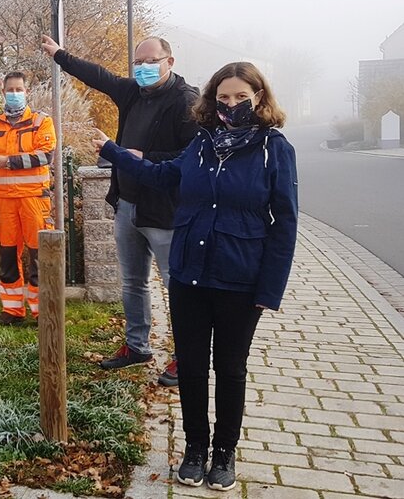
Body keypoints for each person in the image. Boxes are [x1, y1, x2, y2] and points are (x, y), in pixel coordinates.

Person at [93, 61, 297, 491]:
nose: (232, 104)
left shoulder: (273, 148)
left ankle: (224, 453)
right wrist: (113, 151)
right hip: (189, 275)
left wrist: (270, 288)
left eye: (242, 97)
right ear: (212, 99)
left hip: (240, 279)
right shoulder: (203, 143)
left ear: (259, 98)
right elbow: (164, 175)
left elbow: (285, 223)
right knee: (191, 368)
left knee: (230, 368)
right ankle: (195, 448)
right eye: (224, 97)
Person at [41, 34, 198, 386]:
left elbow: (193, 159)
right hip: (127, 205)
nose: (142, 68)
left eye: (150, 61)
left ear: (169, 61)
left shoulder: (186, 102)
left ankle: (186, 357)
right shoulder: (132, 93)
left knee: (179, 288)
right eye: (138, 62)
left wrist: (148, 159)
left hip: (164, 212)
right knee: (133, 282)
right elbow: (99, 77)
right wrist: (61, 55)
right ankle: (136, 347)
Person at [0, 71, 57, 325]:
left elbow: (46, 155)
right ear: (3, 93)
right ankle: (12, 311)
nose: (14, 94)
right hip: (4, 203)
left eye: (19, 89)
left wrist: (10, 162)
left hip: (34, 200)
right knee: (8, 257)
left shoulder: (40, 122)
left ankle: (42, 311)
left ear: (27, 92)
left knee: (39, 258)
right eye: (10, 90)